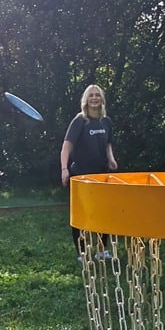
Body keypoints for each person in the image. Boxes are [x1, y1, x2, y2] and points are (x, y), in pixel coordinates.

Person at [60, 84, 118, 261]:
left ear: (101, 99)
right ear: (86, 99)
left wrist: (111, 158)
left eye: (97, 95)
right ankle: (82, 252)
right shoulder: (80, 121)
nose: (94, 98)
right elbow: (66, 148)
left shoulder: (106, 121)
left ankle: (102, 249)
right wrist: (64, 169)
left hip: (102, 174)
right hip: (81, 176)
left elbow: (108, 144)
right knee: (81, 214)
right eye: (91, 95)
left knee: (103, 212)